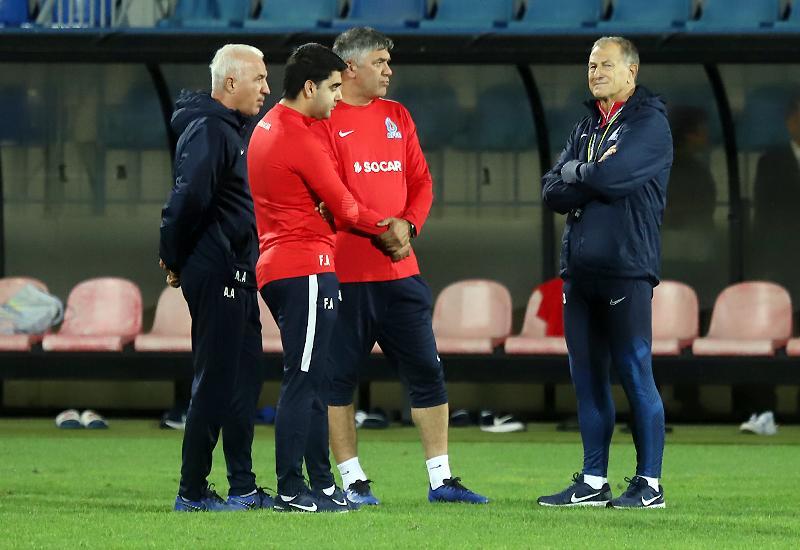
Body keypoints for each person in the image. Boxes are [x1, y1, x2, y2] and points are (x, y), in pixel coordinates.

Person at [311, 27, 488, 506]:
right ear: (350, 67)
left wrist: (408, 225)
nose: (389, 70)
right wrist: (381, 228)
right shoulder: (323, 119)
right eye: (381, 61)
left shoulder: (397, 116)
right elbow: (332, 197)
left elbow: (421, 181)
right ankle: (353, 481)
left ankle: (441, 480)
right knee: (338, 381)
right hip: (343, 274)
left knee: (428, 374)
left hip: (401, 273)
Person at [247, 43, 389, 513]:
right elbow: (345, 206)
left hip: (285, 265)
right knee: (304, 379)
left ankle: (322, 486)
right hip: (303, 267)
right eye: (332, 88)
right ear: (309, 87)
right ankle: (292, 490)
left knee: (313, 378)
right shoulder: (298, 137)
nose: (337, 98)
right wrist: (390, 229)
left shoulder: (270, 124)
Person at [538, 36, 672, 509]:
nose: (595, 73)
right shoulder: (587, 125)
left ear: (631, 72)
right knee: (588, 378)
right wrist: (586, 171)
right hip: (578, 273)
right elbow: (551, 191)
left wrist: (577, 171)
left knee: (635, 372)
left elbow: (613, 181)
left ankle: (649, 485)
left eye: (606, 65)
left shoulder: (649, 123)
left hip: (626, 269)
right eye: (592, 65)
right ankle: (593, 481)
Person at [159, 44, 271, 512]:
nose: (266, 88)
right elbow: (187, 198)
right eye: (259, 78)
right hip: (218, 267)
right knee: (216, 379)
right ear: (230, 82)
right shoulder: (209, 129)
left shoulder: (232, 130)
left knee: (244, 379)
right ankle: (192, 491)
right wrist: (172, 255)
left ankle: (243, 486)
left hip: (239, 269)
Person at [662, 105, 716, 232]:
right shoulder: (693, 172)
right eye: (703, 131)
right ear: (689, 135)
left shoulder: (658, 165)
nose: (707, 137)